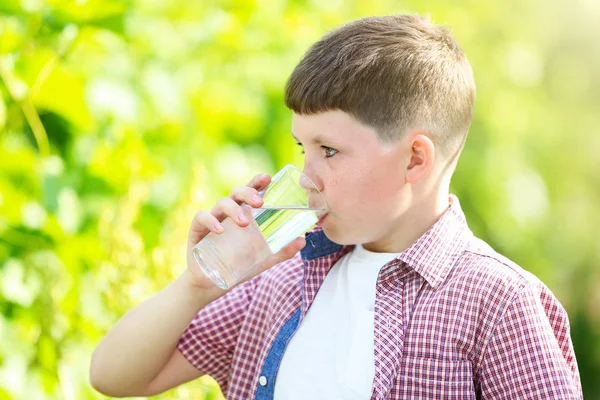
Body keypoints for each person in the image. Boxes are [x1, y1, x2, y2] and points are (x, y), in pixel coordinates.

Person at [90, 14, 582, 399]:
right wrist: (197, 286)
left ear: (415, 159)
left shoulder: (498, 304)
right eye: (301, 149)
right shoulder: (280, 281)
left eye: (328, 151)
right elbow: (113, 375)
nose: (305, 176)